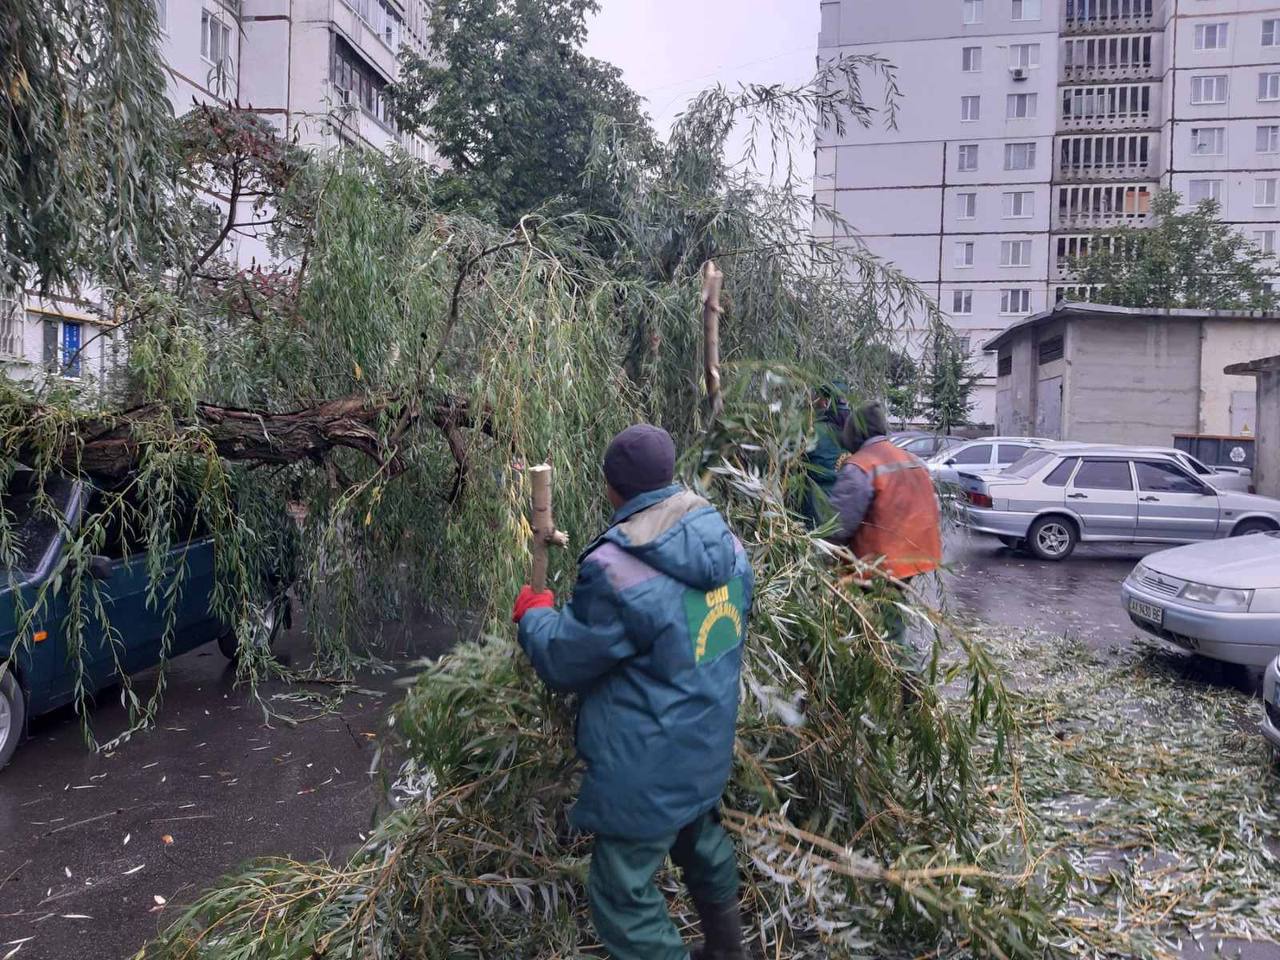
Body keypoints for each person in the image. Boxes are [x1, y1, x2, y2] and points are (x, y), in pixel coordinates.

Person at [512, 424, 754, 960]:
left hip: (646, 764)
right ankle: (729, 952)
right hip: (706, 743)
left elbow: (563, 659)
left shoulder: (616, 569)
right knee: (703, 843)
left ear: (611, 489)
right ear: (668, 474)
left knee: (622, 892)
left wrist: (535, 615)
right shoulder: (729, 546)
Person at [825, 402, 943, 670]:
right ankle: (888, 668)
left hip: (880, 562)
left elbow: (839, 523)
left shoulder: (861, 466)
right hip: (913, 556)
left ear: (856, 432)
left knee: (886, 622)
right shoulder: (910, 459)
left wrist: (821, 551)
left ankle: (907, 681)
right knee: (890, 614)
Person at [801, 384, 850, 528]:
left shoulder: (813, 430)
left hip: (818, 507)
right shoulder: (855, 428)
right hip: (847, 506)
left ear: (823, 401)